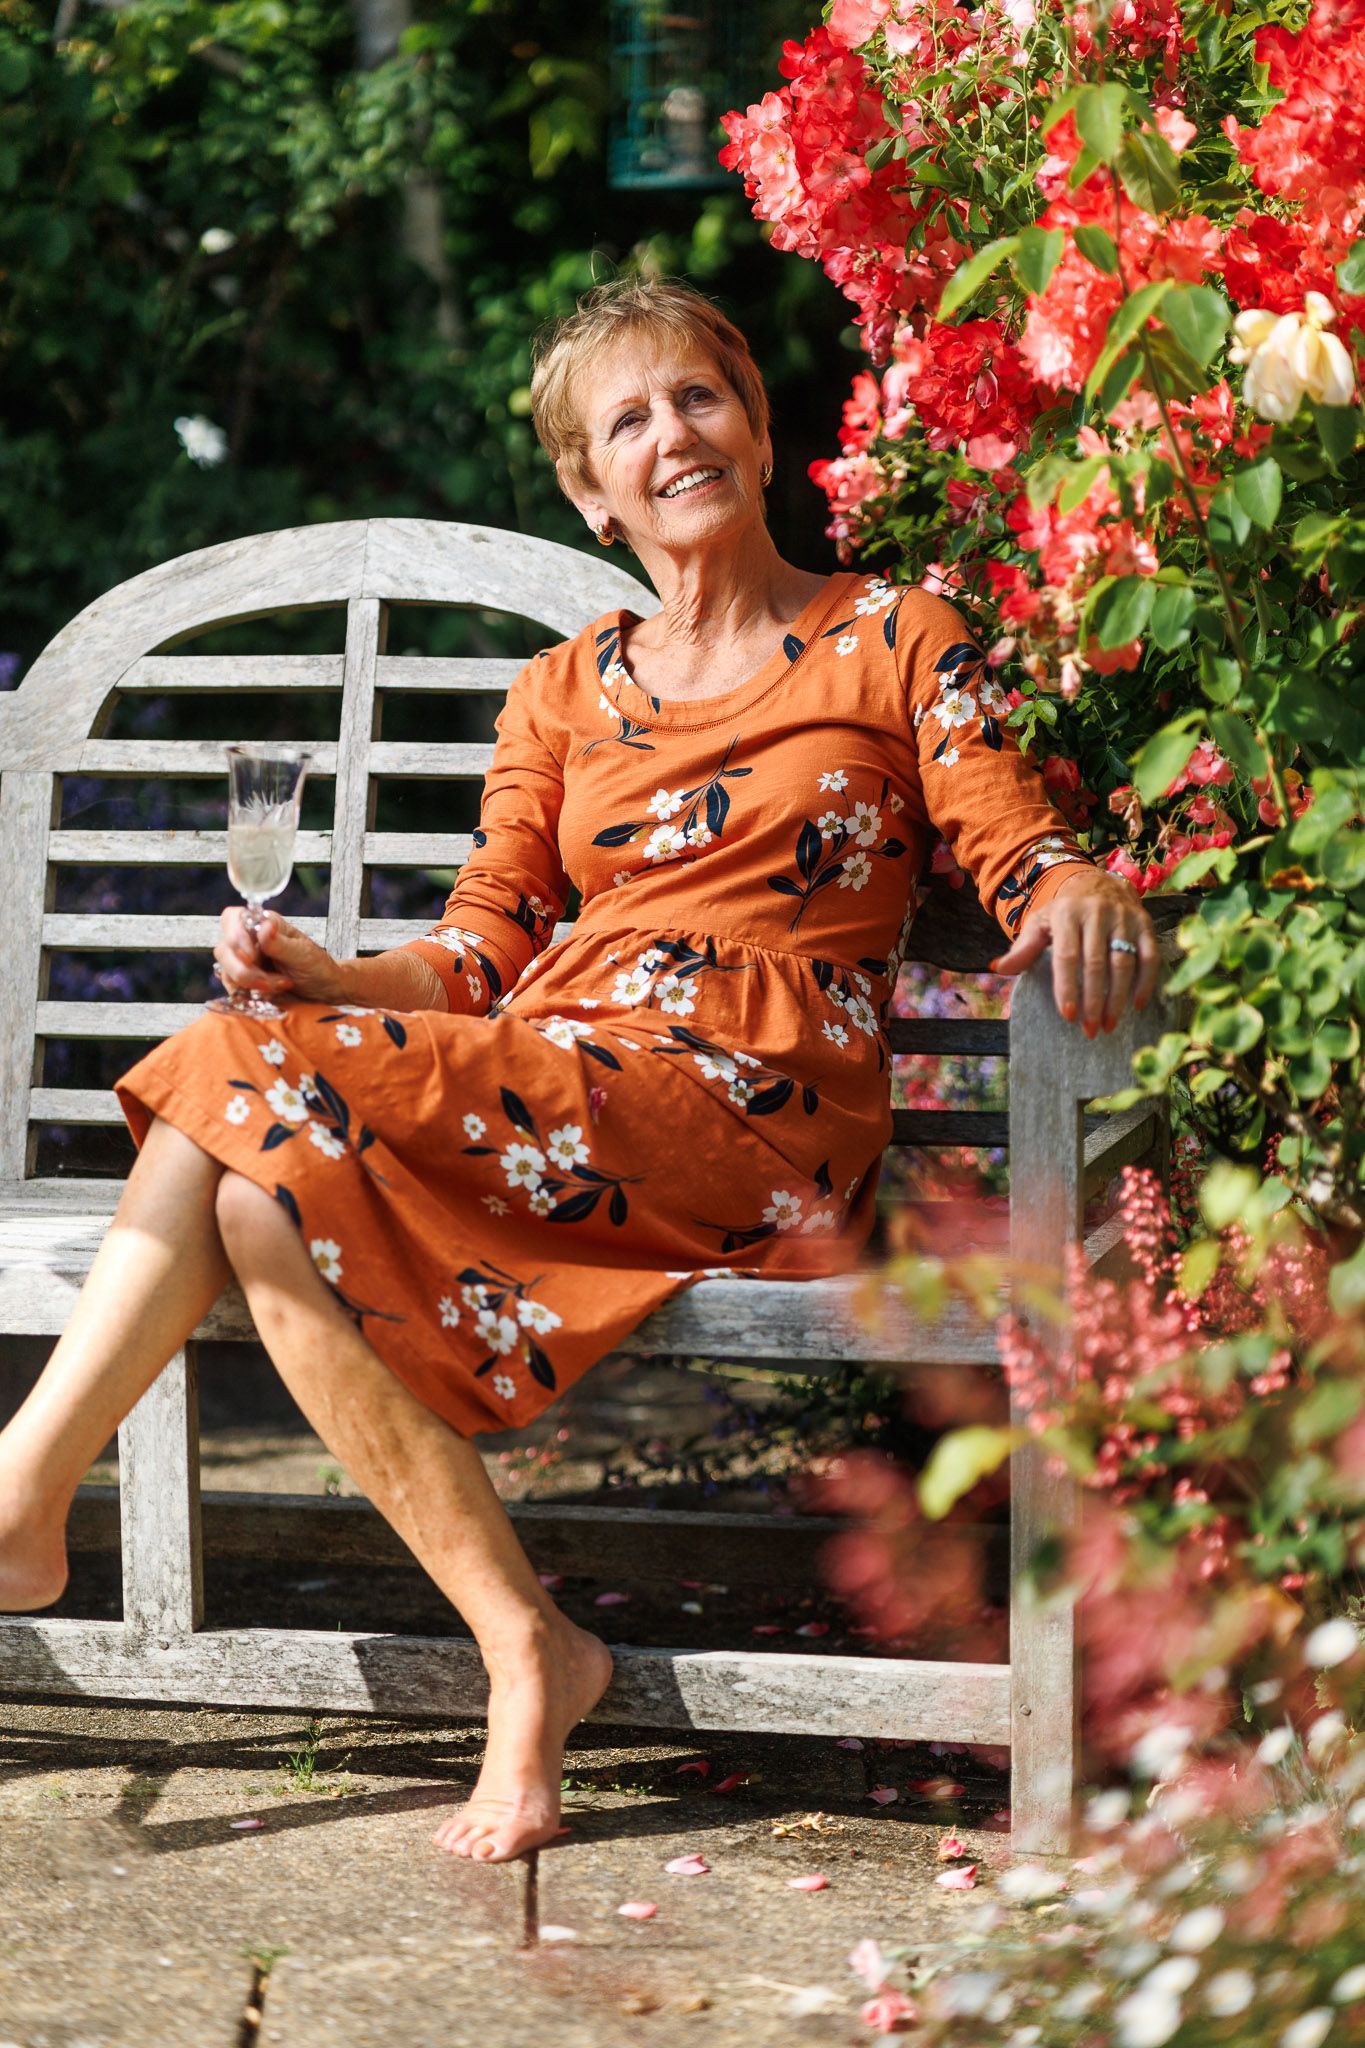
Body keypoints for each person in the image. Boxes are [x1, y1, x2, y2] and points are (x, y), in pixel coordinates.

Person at [0, 276, 1159, 1863]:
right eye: (630, 421)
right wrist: (333, 981)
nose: (673, 435)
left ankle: (16, 1497)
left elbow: (1010, 839)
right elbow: (476, 951)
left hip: (752, 1100)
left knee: (235, 1080)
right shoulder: (560, 689)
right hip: (556, 1072)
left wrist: (1076, 888)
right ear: (587, 491)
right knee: (261, 1190)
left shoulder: (894, 634)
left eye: (697, 398)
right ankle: (526, 1643)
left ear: (756, 427)